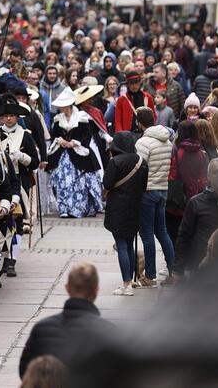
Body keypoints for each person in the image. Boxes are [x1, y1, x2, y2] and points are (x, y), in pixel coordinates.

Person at [18, 262, 113, 377]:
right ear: (96, 289)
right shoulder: (109, 332)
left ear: (67, 288)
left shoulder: (42, 328)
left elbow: (25, 371)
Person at [102, 131, 148, 296]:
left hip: (117, 208)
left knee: (121, 245)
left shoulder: (116, 162)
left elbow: (106, 183)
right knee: (129, 244)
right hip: (135, 207)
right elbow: (144, 187)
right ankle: (129, 281)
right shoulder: (142, 162)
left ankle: (126, 284)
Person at [48, 87, 103, 219]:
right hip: (63, 154)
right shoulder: (57, 119)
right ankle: (64, 208)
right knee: (62, 180)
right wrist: (59, 140)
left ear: (69, 105)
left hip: (80, 153)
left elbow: (87, 135)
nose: (61, 108)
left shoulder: (82, 117)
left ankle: (79, 208)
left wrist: (75, 142)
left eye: (63, 105)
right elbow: (53, 135)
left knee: (81, 182)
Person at [134, 108, 174, 288]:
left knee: (147, 235)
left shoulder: (143, 142)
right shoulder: (167, 140)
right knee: (163, 232)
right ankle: (174, 271)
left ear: (139, 123)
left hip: (148, 191)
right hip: (162, 189)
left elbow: (138, 168)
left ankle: (150, 275)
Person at [173, 158, 218, 277]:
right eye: (216, 172)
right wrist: (177, 269)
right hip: (200, 266)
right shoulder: (196, 203)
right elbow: (184, 236)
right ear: (208, 176)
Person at [166, 121, 209, 242]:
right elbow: (203, 177)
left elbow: (173, 174)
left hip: (178, 199)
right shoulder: (201, 153)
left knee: (174, 231)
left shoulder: (177, 151)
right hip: (195, 196)